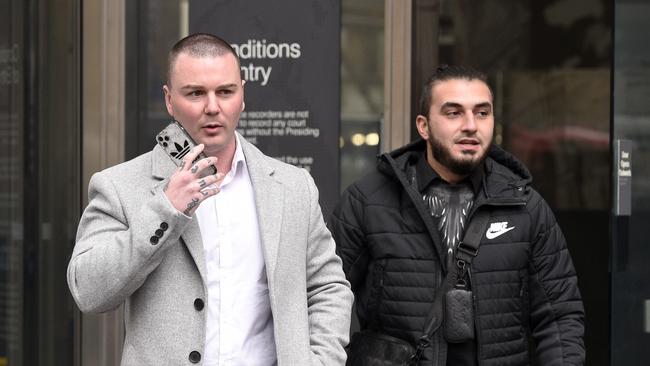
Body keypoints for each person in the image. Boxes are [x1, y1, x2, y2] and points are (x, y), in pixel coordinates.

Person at [67, 33, 353, 365]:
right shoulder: (119, 185)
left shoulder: (292, 187)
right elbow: (88, 292)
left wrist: (320, 361)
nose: (212, 107)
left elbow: (329, 287)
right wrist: (166, 209)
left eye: (225, 91)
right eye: (195, 93)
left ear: (242, 95)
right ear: (169, 99)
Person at [328, 65, 585, 365]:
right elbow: (324, 299)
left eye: (482, 112)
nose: (471, 125)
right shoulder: (368, 202)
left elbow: (559, 316)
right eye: (454, 113)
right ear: (423, 126)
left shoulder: (525, 207)